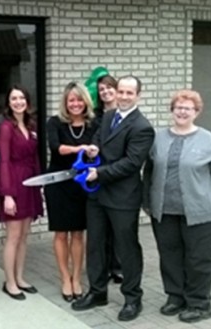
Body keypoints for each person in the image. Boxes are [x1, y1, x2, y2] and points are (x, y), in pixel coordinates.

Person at [143, 89, 211, 323]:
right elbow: (149, 171)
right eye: (178, 107)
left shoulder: (207, 139)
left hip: (201, 212)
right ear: (172, 110)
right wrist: (147, 202)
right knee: (170, 256)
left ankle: (200, 303)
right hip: (165, 211)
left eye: (188, 108)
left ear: (196, 112)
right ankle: (176, 297)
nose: (182, 111)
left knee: (199, 259)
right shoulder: (159, 138)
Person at [72, 75, 155, 322]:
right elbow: (97, 142)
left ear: (138, 96)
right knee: (96, 245)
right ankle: (97, 292)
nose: (124, 96)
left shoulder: (142, 127)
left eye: (130, 93)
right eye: (121, 91)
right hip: (98, 195)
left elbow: (131, 163)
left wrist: (99, 172)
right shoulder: (108, 117)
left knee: (126, 248)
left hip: (123, 197)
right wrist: (91, 151)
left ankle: (132, 298)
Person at [45, 82, 96, 302]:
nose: (75, 104)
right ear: (66, 103)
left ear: (85, 101)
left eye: (79, 99)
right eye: (71, 100)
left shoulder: (94, 125)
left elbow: (97, 150)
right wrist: (80, 149)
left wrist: (93, 151)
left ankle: (77, 278)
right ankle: (65, 278)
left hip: (82, 184)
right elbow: (57, 148)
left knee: (78, 233)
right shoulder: (55, 122)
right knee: (60, 233)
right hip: (58, 183)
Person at [0, 85, 43, 301]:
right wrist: (7, 194)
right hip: (13, 182)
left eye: (21, 98)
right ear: (8, 103)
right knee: (13, 237)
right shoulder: (7, 127)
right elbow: (3, 161)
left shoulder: (31, 125)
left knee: (24, 236)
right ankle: (10, 282)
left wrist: (40, 183)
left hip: (30, 184)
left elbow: (35, 157)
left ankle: (20, 277)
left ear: (27, 101)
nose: (18, 102)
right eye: (13, 98)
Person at [93, 74, 124, 285]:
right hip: (98, 174)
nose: (105, 92)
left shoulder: (124, 115)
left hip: (118, 176)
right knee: (101, 227)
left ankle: (118, 266)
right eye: (101, 89)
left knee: (118, 227)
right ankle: (103, 267)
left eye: (109, 88)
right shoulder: (96, 117)